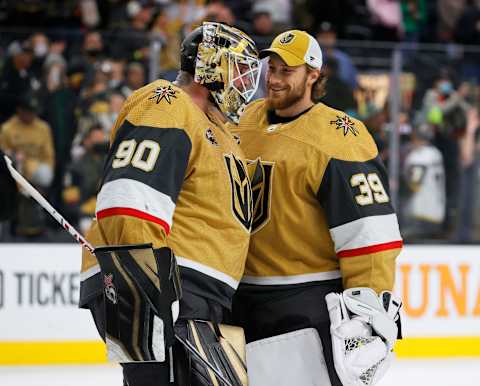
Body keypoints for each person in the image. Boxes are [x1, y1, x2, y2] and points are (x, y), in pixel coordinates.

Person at [79, 22, 261, 385]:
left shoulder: (219, 129)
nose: (244, 83)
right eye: (238, 70)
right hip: (166, 281)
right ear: (211, 65)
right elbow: (128, 201)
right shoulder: (166, 102)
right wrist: (149, 287)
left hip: (200, 295)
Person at [230, 30, 403, 386]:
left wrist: (367, 312)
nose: (274, 79)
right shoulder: (242, 120)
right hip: (238, 297)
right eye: (271, 68)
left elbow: (371, 235)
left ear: (313, 75)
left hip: (305, 301)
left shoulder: (339, 136)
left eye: (286, 71)